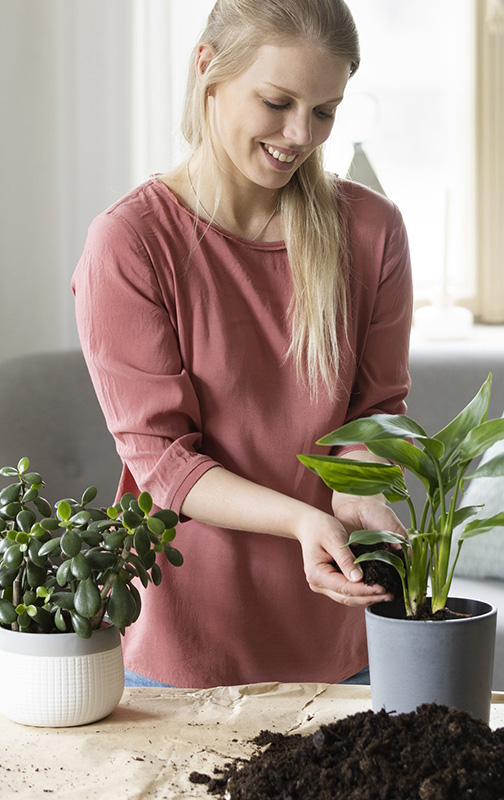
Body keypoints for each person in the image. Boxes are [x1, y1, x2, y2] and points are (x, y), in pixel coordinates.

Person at [72, 0, 411, 688]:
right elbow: (163, 462)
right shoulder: (131, 243)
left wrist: (359, 493)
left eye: (324, 111)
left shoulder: (372, 232)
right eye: (277, 101)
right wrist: (301, 521)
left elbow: (376, 409)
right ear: (208, 69)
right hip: (185, 649)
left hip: (340, 640)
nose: (299, 135)